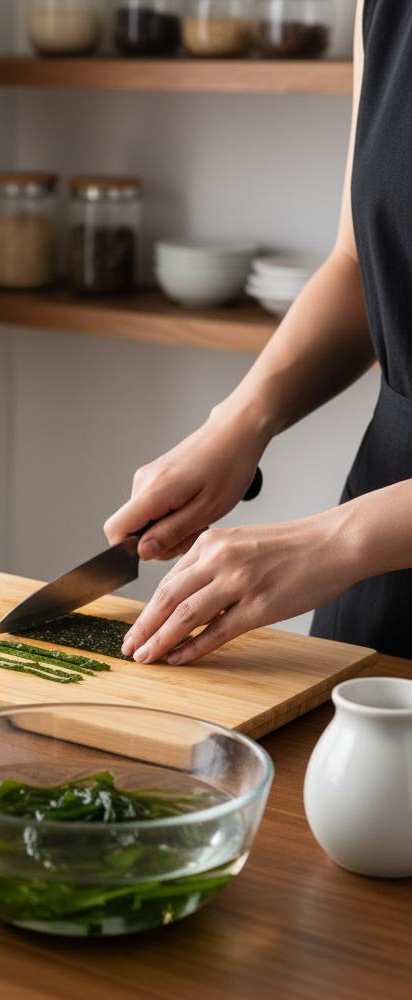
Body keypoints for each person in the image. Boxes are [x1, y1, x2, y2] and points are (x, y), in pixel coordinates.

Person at [104, 0, 412, 666]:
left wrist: (338, 542)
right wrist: (237, 425)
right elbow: (361, 261)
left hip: (368, 540)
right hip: (384, 555)